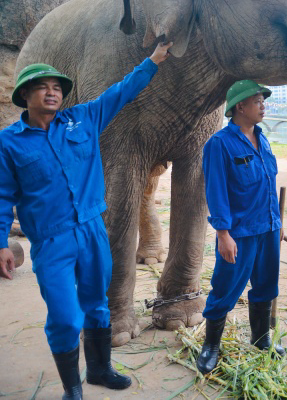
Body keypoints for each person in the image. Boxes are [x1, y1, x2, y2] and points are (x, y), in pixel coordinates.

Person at [0, 42, 173, 399]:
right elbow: (2, 196)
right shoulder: (9, 142)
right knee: (64, 317)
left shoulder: (85, 117)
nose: (53, 92)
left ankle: (99, 370)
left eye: (58, 87)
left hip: (94, 230)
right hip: (51, 241)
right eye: (44, 86)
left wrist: (153, 61)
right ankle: (71, 387)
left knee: (97, 304)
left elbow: (122, 91)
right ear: (25, 95)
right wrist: (2, 241)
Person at [196, 80, 283, 375]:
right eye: (257, 101)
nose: (263, 105)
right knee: (224, 288)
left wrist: (277, 223)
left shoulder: (263, 138)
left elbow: (269, 183)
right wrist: (223, 233)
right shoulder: (219, 144)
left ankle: (260, 339)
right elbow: (216, 191)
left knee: (267, 285)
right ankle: (211, 346)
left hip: (268, 228)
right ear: (239, 107)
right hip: (239, 233)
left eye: (263, 100)